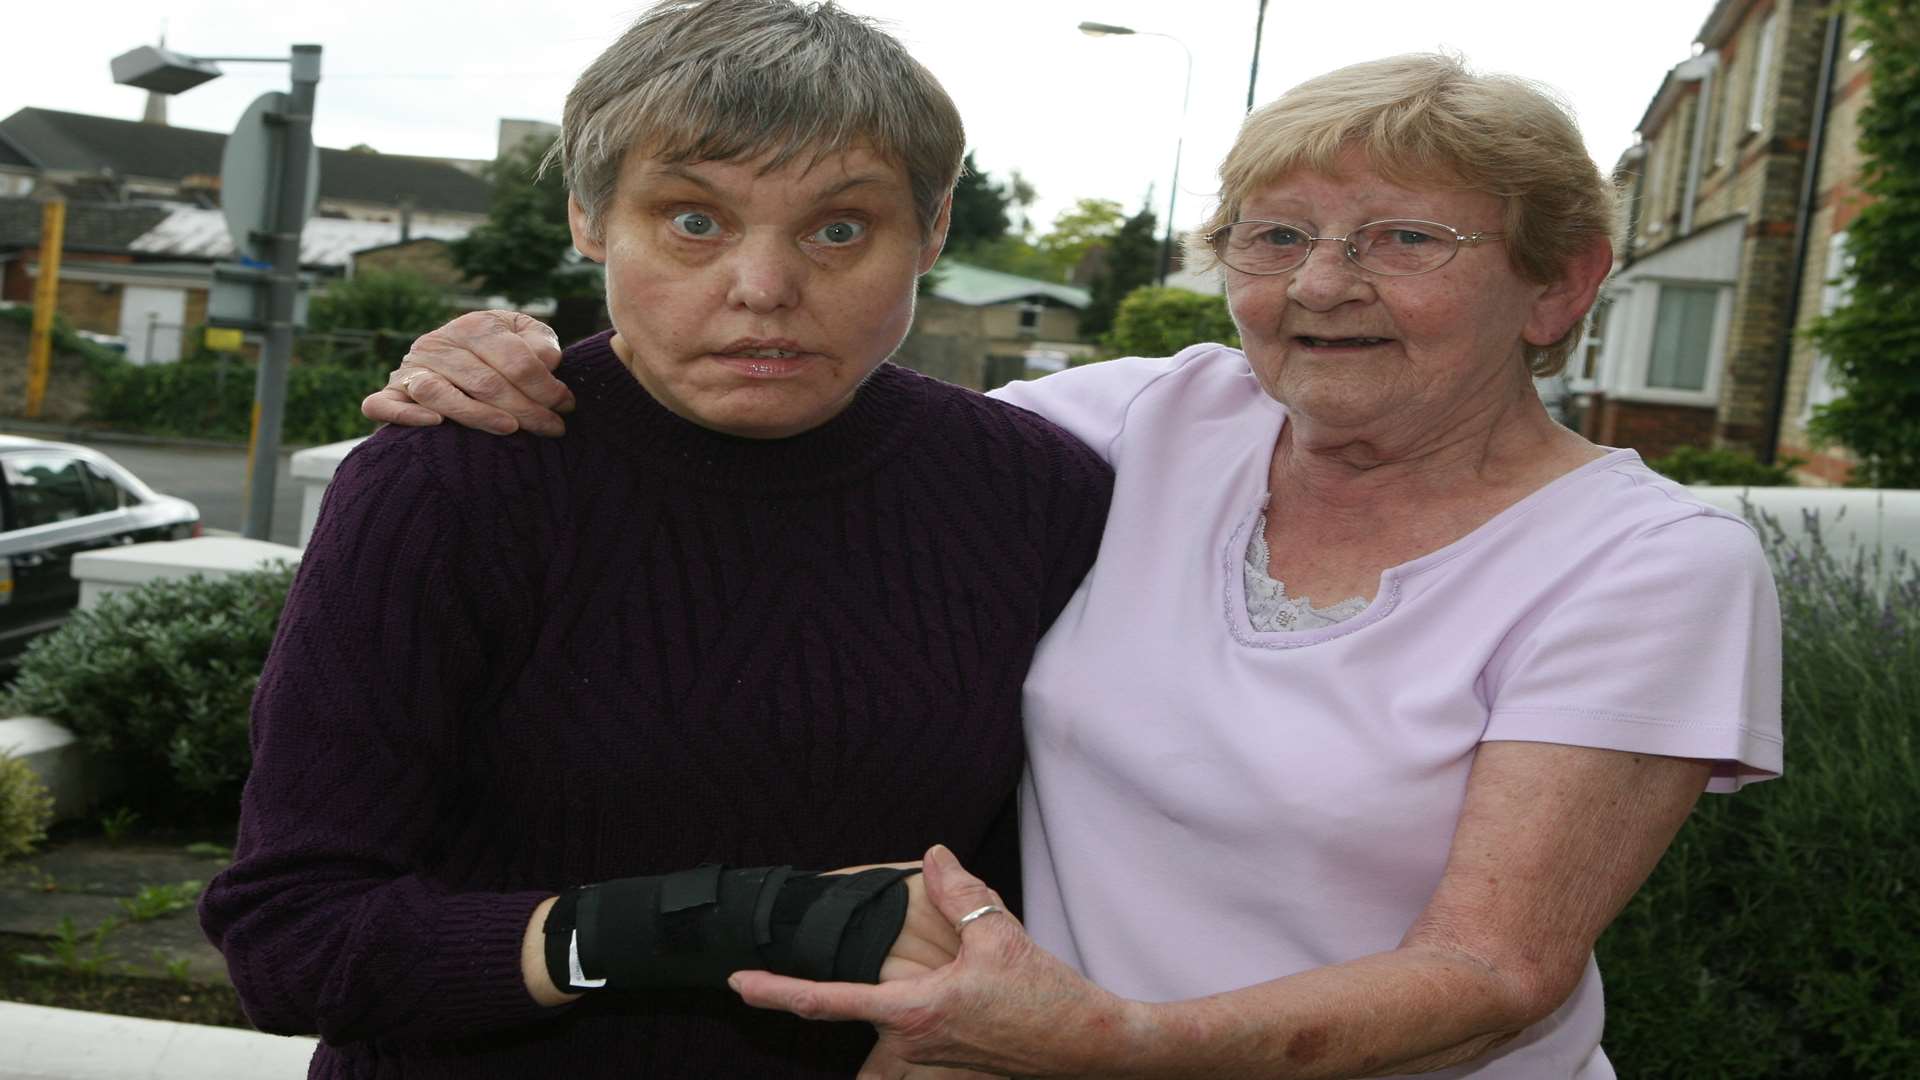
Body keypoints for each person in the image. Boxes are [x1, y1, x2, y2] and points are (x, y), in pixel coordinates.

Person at [369, 53, 1783, 1078]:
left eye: (1407, 239)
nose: (1322, 285)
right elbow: (812, 414)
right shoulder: (1147, 422)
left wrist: (1120, 1048)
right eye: (1275, 236)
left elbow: (1495, 972)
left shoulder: (1645, 565)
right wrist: (509, 354)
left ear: (1559, 285)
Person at [196, 3, 1111, 1078]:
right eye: (692, 220)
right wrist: (709, 922)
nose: (762, 289)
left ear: (936, 227)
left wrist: (969, 1035)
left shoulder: (1034, 491)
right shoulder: (455, 479)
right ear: (589, 217)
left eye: (839, 229)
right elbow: (291, 943)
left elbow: (1046, 875)